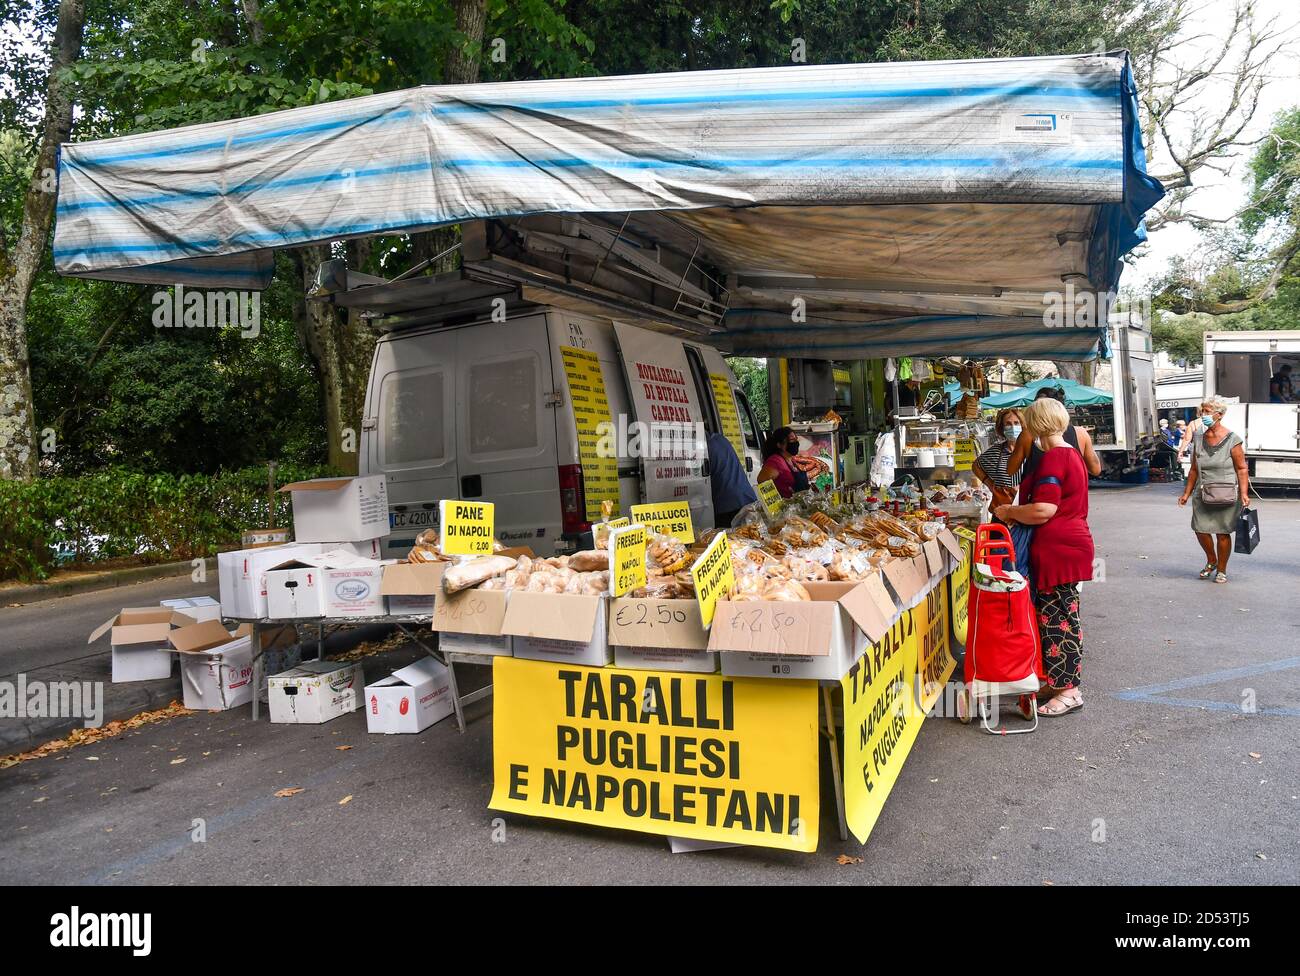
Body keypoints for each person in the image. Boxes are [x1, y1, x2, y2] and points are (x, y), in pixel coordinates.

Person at [993, 398, 1094, 718]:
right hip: (1065, 545)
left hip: (1059, 549)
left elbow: (1043, 510)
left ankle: (1070, 691)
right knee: (1055, 616)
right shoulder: (1069, 454)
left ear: (1034, 425)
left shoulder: (1053, 459)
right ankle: (1058, 682)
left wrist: (1008, 511)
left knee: (1060, 619)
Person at [1178, 396, 1250, 583]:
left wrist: (1244, 493)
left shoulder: (1233, 439)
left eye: (1208, 411)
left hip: (1225, 493)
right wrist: (1186, 493)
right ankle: (1212, 559)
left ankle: (1222, 570)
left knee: (1222, 533)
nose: (1204, 415)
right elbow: (1194, 469)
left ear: (1220, 414)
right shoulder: (1199, 438)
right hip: (1203, 492)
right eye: (1202, 411)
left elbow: (1242, 468)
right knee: (1200, 529)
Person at [1006, 384, 1102, 482]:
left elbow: (1010, 470)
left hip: (1040, 494)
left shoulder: (1027, 435)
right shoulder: (1081, 433)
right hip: (1072, 495)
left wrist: (1014, 444)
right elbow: (1096, 470)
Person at [972, 408, 1025, 516]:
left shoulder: (1030, 450)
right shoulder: (996, 451)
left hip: (1026, 511)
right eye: (1008, 424)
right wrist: (989, 484)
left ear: (1022, 425)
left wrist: (1021, 489)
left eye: (1016, 423)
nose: (1013, 427)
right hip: (1002, 513)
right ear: (1002, 428)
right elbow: (976, 465)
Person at [706, 430, 757, 528]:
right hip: (746, 497)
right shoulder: (720, 439)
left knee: (732, 539)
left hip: (727, 505)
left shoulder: (705, 447)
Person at [757, 427, 809, 498]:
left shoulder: (791, 460)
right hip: (786, 506)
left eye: (796, 439)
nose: (795, 443)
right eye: (791, 440)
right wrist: (777, 500)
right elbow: (761, 482)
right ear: (779, 445)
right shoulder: (775, 461)